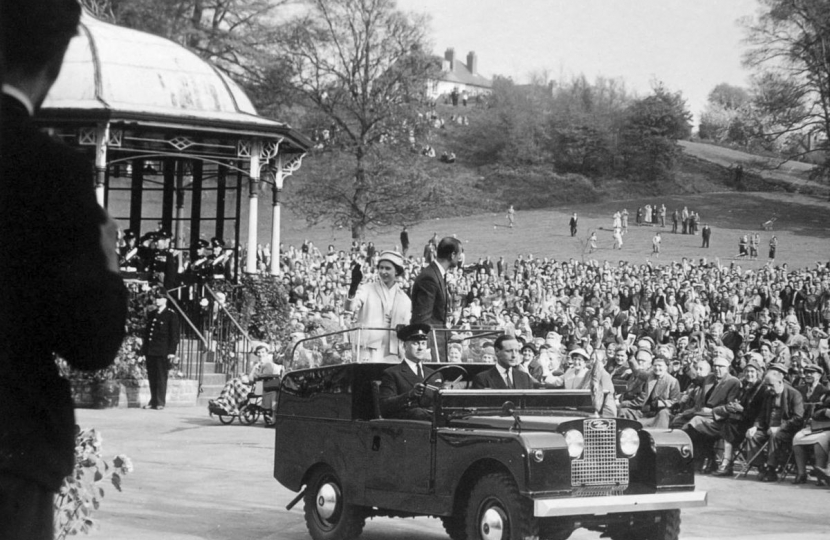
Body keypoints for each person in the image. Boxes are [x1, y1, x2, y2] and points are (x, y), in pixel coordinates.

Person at [0, 2, 129, 537]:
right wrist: (110, 265)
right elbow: (92, 342)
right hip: (12, 440)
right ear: (52, 63)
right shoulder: (52, 173)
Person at [345, 251, 411, 362]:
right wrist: (353, 288)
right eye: (381, 268)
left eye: (387, 268)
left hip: (393, 351)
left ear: (397, 271)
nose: (383, 272)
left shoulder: (404, 299)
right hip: (368, 349)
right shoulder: (367, 289)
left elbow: (407, 327)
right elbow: (350, 307)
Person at [746, 364, 805, 482]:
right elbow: (762, 414)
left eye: (771, 385)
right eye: (766, 385)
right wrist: (755, 427)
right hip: (768, 428)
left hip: (786, 431)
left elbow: (798, 418)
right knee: (752, 435)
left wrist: (779, 427)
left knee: (775, 435)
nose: (768, 388)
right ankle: (762, 467)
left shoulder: (794, 394)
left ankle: (771, 469)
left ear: (780, 382)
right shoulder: (768, 394)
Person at [411, 236, 462, 360]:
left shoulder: (437, 274)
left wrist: (449, 334)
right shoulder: (429, 278)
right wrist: (424, 349)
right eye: (459, 254)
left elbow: (436, 315)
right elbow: (423, 317)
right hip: (431, 348)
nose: (460, 258)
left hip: (438, 343)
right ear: (452, 255)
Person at [379, 324, 443, 420]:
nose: (420, 348)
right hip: (408, 425)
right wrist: (410, 394)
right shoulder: (392, 373)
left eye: (423, 343)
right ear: (404, 346)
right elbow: (385, 406)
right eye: (416, 343)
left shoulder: (435, 374)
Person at [141, 293, 181, 410]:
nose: (157, 300)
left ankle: (160, 401)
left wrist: (172, 351)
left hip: (162, 350)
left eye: (159, 298)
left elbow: (174, 335)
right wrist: (144, 351)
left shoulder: (171, 315)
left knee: (161, 376)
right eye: (156, 298)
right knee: (152, 376)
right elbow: (147, 334)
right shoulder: (152, 314)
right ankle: (153, 400)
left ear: (165, 299)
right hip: (151, 350)